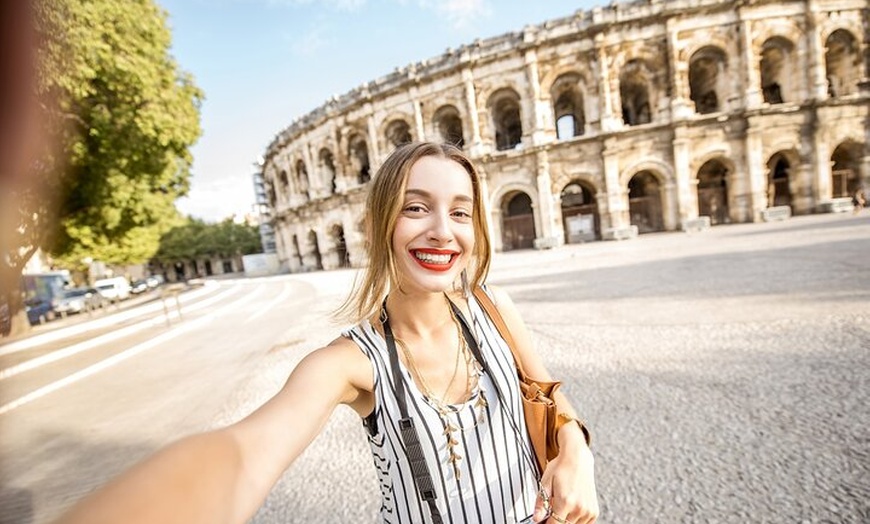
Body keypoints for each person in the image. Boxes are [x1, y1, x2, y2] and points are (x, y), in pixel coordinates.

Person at [55, 142, 598, 524]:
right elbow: (242, 455)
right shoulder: (348, 364)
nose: (441, 230)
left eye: (460, 212)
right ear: (379, 224)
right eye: (415, 207)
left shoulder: (493, 308)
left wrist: (576, 454)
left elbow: (551, 397)